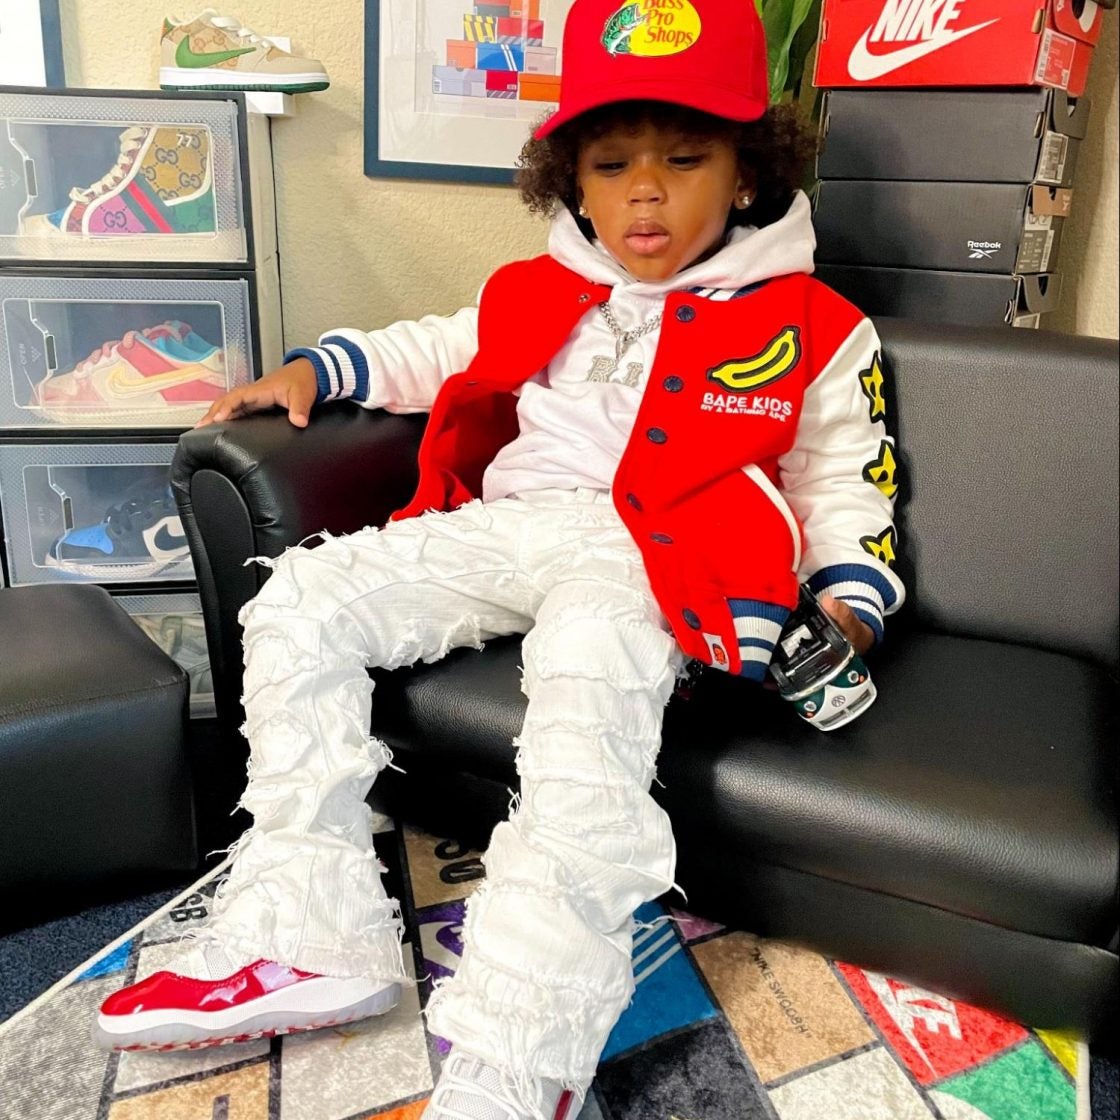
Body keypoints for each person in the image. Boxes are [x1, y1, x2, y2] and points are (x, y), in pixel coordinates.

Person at [94, 2, 904, 1116]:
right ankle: (309, 933)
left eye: (684, 160)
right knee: (302, 599)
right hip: (513, 526)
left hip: (661, 554)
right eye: (612, 166)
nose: (646, 194)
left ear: (748, 172)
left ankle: (525, 1048)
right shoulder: (537, 288)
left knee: (586, 699)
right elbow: (435, 347)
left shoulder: (815, 322)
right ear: (572, 181)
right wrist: (322, 369)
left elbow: (847, 481)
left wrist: (847, 601)